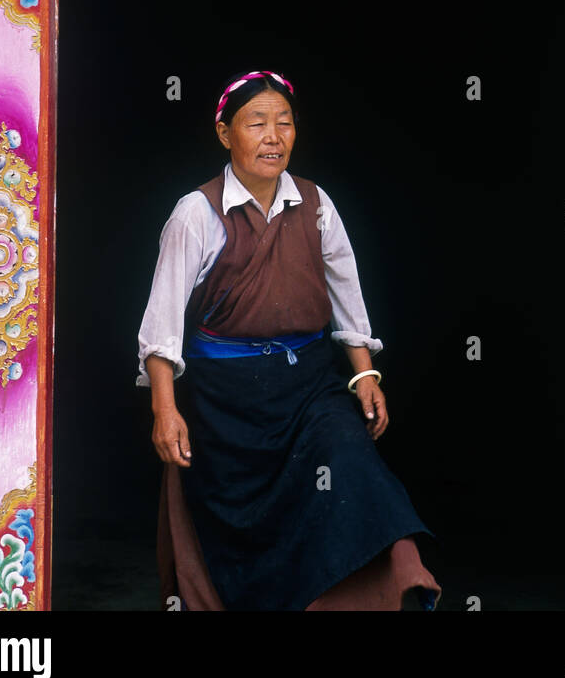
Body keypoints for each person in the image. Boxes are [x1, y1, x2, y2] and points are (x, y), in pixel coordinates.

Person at [137, 68, 440, 612]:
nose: (273, 137)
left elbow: (347, 293)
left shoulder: (316, 204)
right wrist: (165, 408)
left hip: (309, 389)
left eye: (284, 123)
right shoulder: (196, 213)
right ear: (225, 133)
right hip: (224, 401)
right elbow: (161, 325)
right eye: (257, 123)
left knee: (356, 475)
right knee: (241, 535)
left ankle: (393, 595)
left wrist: (364, 371)